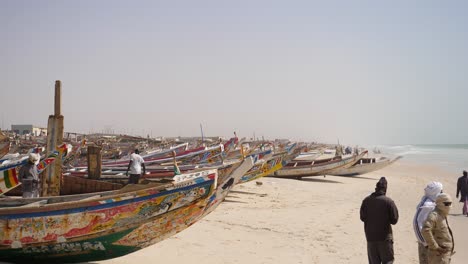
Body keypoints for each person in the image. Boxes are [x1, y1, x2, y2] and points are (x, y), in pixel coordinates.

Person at [360, 177, 399, 264]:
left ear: (376, 188)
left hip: (370, 238)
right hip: (385, 238)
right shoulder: (389, 202)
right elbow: (394, 220)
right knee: (388, 261)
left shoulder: (366, 201)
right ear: (385, 189)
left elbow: (362, 218)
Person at [413, 181, 444, 264]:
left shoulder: (432, 202)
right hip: (428, 244)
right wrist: (425, 243)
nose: (442, 193)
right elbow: (416, 223)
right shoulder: (427, 205)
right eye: (441, 191)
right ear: (435, 192)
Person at [421, 193, 455, 264]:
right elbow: (425, 230)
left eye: (450, 203)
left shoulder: (443, 214)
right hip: (438, 256)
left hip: (445, 255)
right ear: (440, 203)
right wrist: (435, 247)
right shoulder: (434, 216)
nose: (449, 206)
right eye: (447, 204)